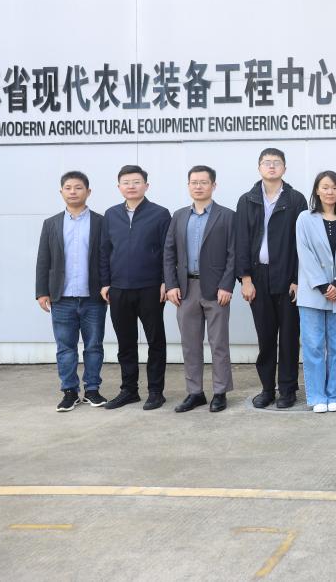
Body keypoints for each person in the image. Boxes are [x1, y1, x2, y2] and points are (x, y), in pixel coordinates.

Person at [235, 148, 305, 409]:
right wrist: (245, 279)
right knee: (265, 338)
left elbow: (302, 243)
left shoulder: (296, 199)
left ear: (284, 168)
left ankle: (287, 389)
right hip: (258, 277)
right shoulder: (247, 200)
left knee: (289, 337)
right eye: (267, 162)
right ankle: (267, 388)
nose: (272, 166)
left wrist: (297, 278)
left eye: (277, 163)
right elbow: (241, 240)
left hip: (287, 277)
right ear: (259, 167)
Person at [163, 165, 236, 413]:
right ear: (188, 186)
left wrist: (226, 285)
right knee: (190, 344)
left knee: (218, 344)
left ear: (213, 185)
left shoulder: (227, 216)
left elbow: (233, 254)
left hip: (216, 290)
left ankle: (220, 392)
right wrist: (171, 285)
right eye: (194, 182)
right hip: (185, 289)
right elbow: (169, 252)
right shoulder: (179, 216)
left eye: (204, 182)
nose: (198, 186)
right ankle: (195, 392)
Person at [100, 165, 171, 410]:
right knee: (126, 343)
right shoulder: (111, 215)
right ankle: (129, 390)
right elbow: (104, 251)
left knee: (155, 341)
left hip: (150, 288)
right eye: (126, 182)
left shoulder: (160, 214)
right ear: (119, 187)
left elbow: (168, 251)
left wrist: (166, 281)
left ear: (146, 186)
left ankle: (156, 391)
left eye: (136, 182)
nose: (131, 186)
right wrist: (105, 282)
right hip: (119, 288)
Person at [36, 171, 107, 411]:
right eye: (68, 188)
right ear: (61, 192)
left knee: (94, 346)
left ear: (88, 191)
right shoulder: (51, 224)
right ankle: (69, 392)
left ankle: (93, 390)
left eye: (78, 187)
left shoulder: (100, 222)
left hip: (93, 297)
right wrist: (41, 292)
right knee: (65, 348)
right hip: (61, 298)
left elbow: (107, 257)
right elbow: (43, 260)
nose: (73, 191)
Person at [296, 171, 336, 413]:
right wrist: (321, 285)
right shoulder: (304, 218)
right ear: (317, 190)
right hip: (312, 293)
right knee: (313, 346)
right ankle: (317, 396)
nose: (330, 192)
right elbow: (303, 252)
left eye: (334, 187)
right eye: (325, 187)